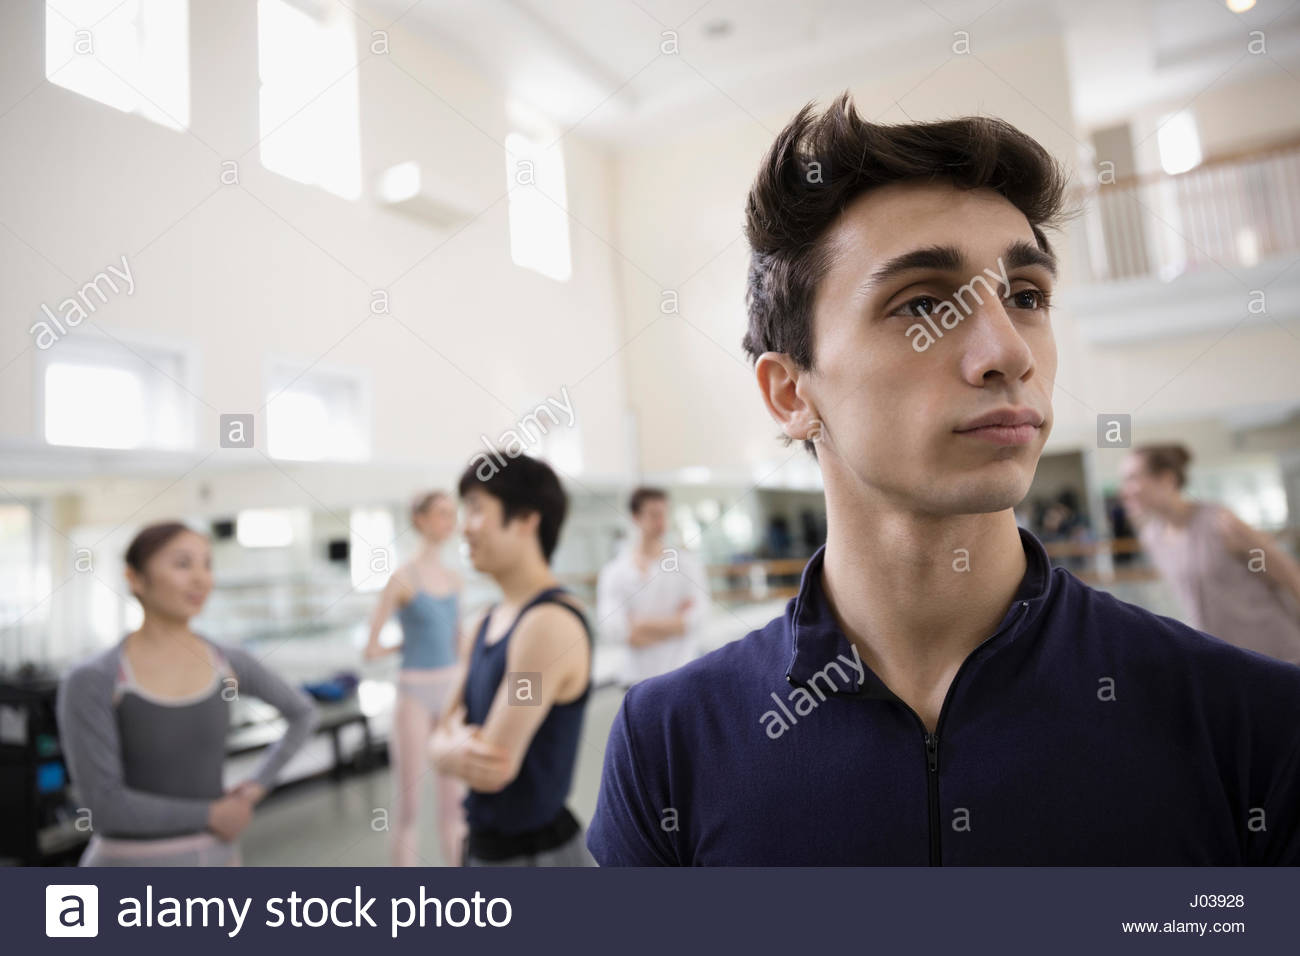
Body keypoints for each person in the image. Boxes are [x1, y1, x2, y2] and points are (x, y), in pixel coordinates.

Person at [587, 93, 1300, 865]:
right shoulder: (669, 742)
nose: (1008, 351)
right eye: (923, 304)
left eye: (1026, 297)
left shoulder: (1251, 722)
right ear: (792, 393)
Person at [57, 521, 317, 866]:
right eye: (182, 564)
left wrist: (256, 786)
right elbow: (104, 808)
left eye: (207, 564)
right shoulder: (94, 679)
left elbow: (303, 713)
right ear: (135, 579)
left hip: (218, 858)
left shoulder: (228, 662)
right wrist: (212, 814)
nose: (201, 579)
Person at [430, 452, 595, 866]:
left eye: (477, 510)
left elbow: (495, 764)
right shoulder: (485, 621)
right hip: (484, 846)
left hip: (535, 857)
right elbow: (441, 730)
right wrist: (447, 747)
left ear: (526, 519)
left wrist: (444, 747)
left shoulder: (548, 625)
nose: (464, 528)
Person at [1121, 444, 1300, 665]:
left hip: (1281, 655)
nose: (1125, 490)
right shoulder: (1152, 537)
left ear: (1166, 479)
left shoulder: (1220, 522)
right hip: (1230, 662)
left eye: (1132, 478)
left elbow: (1290, 575)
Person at [363, 491, 466, 866]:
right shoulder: (402, 578)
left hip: (452, 691)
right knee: (407, 807)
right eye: (441, 514)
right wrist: (404, 645)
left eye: (452, 514)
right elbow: (370, 648)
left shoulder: (455, 580)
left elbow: (459, 642)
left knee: (454, 808)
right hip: (415, 695)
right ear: (419, 519)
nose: (449, 522)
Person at [596, 487, 711, 688]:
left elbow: (698, 617)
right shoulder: (613, 572)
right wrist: (675, 624)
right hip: (635, 681)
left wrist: (639, 624)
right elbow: (614, 630)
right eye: (654, 515)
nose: (662, 523)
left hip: (682, 674)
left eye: (664, 514)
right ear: (636, 518)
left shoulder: (687, 565)